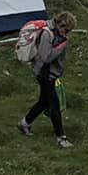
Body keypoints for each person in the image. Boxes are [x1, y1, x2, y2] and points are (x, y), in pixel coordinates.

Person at [18, 11, 74, 147]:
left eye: (68, 31)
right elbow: (46, 57)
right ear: (59, 24)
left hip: (51, 74)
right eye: (64, 30)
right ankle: (61, 138)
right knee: (54, 104)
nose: (65, 33)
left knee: (43, 102)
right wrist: (61, 46)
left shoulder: (58, 34)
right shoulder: (47, 34)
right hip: (44, 74)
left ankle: (24, 123)